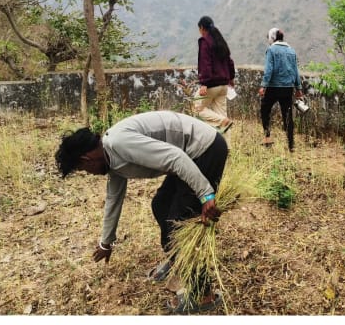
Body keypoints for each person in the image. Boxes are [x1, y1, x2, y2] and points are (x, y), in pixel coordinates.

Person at [56, 110, 227, 312]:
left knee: (177, 225)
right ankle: (177, 260)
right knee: (160, 205)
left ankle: (203, 294)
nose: (90, 174)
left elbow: (175, 157)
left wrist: (206, 194)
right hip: (187, 156)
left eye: (85, 170)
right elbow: (114, 198)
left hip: (204, 149)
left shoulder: (119, 143)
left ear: (87, 159)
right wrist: (106, 241)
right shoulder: (110, 157)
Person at [260, 27, 303, 151]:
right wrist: (298, 88)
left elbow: (269, 70)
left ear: (272, 38)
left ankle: (267, 137)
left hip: (273, 88)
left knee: (265, 110)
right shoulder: (291, 51)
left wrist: (263, 85)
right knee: (288, 116)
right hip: (287, 89)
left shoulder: (271, 50)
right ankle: (291, 145)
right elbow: (295, 71)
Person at [193, 15, 235, 130]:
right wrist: (231, 78)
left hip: (212, 84)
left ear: (202, 27)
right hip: (224, 85)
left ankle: (222, 121)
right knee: (222, 116)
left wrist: (204, 83)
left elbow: (205, 63)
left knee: (197, 108)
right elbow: (229, 61)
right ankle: (226, 147)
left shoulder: (205, 41)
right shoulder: (220, 41)